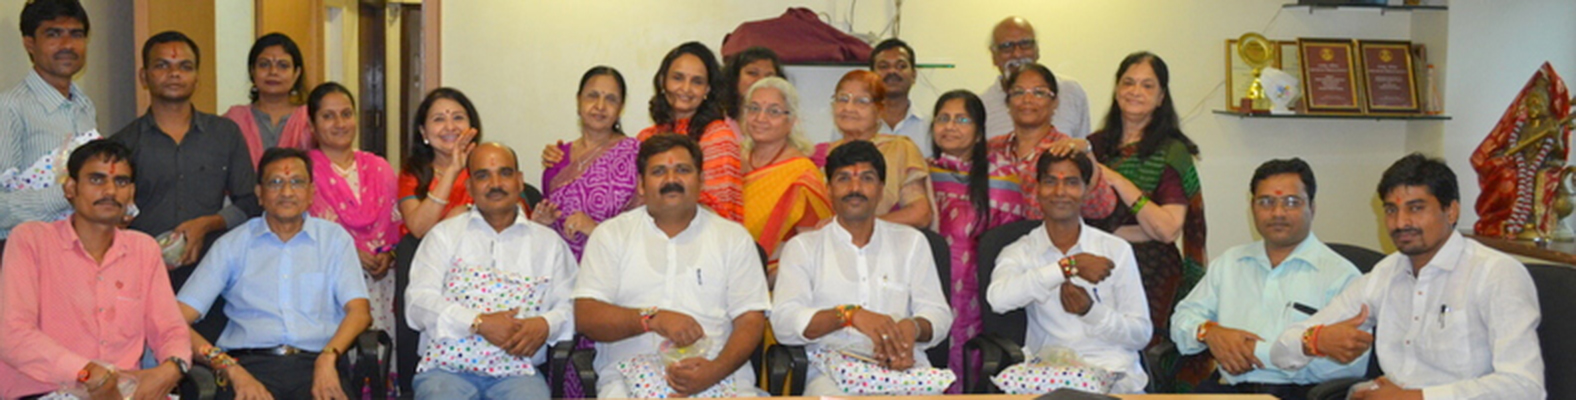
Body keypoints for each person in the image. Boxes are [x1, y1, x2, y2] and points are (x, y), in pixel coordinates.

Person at [1272, 154, 1546, 400]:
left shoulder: (1495, 274)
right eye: (1391, 210)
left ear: (1451, 211)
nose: (1401, 222)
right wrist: (1315, 340)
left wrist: (1417, 397)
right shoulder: (1386, 273)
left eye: (1416, 208)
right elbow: (1281, 350)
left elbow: (1525, 387)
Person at [573, 133, 770, 398]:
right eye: (658, 172)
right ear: (641, 185)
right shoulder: (611, 235)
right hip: (627, 378)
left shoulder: (733, 238)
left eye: (683, 170)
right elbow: (587, 316)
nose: (671, 179)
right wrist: (651, 319)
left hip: (719, 373)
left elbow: (750, 320)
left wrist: (714, 371)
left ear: (701, 180)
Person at [0, 140, 191, 400]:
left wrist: (171, 369)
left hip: (125, 393)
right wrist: (87, 373)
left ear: (131, 192)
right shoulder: (31, 240)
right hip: (46, 390)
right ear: (71, 188)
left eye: (121, 182)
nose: (110, 190)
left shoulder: (143, 249)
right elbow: (12, 334)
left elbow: (170, 329)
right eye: (96, 179)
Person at [176, 148, 371, 400]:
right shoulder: (232, 245)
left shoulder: (334, 240)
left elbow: (359, 312)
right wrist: (227, 367)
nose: (287, 192)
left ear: (311, 192)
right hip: (248, 367)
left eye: (297, 182)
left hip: (319, 363)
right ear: (259, 193)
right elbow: (176, 320)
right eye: (275, 182)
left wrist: (328, 358)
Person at [1170, 158, 1365, 400]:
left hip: (1300, 395)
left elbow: (1353, 364)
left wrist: (1256, 352)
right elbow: (1181, 320)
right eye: (1266, 202)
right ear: (1252, 208)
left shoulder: (1341, 275)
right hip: (1228, 391)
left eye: (1291, 202)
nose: (1278, 213)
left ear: (1312, 208)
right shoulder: (1230, 263)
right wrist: (1208, 332)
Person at [772, 140, 953, 396]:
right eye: (843, 178)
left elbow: (938, 314)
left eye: (867, 178)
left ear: (880, 189)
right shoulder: (804, 248)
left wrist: (912, 327)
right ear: (829, 188)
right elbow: (784, 323)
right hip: (830, 373)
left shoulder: (911, 242)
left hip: (903, 368)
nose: (855, 188)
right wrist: (848, 315)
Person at [407, 142, 577, 399]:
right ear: (469, 187)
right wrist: (477, 323)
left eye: (505, 173)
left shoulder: (548, 244)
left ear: (520, 181)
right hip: (446, 374)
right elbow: (417, 303)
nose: (495, 184)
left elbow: (573, 305)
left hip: (518, 375)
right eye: (483, 175)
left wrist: (545, 324)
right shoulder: (443, 236)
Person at [986, 152, 1150, 394]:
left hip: (1112, 377)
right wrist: (1066, 268)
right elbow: (998, 299)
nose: (1060, 192)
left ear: (1086, 190)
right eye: (1050, 181)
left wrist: (1091, 312)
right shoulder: (1021, 251)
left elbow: (1141, 334)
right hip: (1048, 378)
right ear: (1037, 189)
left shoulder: (1115, 250)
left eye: (1071, 182)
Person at [111, 31, 260, 287]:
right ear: (144, 76)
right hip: (143, 275)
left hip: (213, 273)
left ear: (197, 78)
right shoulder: (123, 143)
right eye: (162, 65)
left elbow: (250, 202)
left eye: (185, 66)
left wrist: (207, 224)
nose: (174, 74)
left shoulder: (225, 134)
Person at [1084, 52, 1206, 340]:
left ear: (1161, 97)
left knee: (1144, 351)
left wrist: (1117, 180)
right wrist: (1133, 227)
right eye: (1128, 82)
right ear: (1117, 89)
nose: (1135, 91)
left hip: (1151, 272)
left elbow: (1167, 229)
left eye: (1147, 85)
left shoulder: (1171, 152)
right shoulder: (1094, 146)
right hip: (1095, 265)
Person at [925, 90, 1030, 388]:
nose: (950, 126)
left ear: (980, 132)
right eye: (943, 118)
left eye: (962, 120)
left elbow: (1008, 245)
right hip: (929, 285)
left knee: (973, 367)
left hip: (979, 293)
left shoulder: (1002, 177)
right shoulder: (922, 173)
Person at [304, 82, 400, 378]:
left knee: (378, 361)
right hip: (329, 284)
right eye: (328, 116)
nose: (340, 123)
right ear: (312, 125)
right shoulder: (304, 172)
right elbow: (303, 231)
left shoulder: (379, 167)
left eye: (346, 114)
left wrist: (390, 254)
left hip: (381, 281)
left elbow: (397, 222)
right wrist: (350, 254)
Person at [0, 0, 98, 253]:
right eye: (53, 34)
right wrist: (66, 193)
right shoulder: (9, 107)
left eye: (76, 34)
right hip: (24, 255)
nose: (67, 45)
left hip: (78, 251)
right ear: (29, 43)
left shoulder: (85, 106)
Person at [532, 66, 641, 259]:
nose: (600, 106)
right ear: (578, 100)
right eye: (593, 96)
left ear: (621, 108)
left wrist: (595, 230)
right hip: (561, 268)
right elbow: (550, 227)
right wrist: (541, 223)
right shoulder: (557, 158)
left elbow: (644, 227)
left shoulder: (635, 155)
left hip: (614, 266)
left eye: (611, 99)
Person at [985, 63, 1116, 221]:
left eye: (1039, 93)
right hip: (994, 235)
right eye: (1018, 92)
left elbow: (1101, 208)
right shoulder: (992, 148)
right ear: (1008, 102)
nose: (1027, 99)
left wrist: (1088, 153)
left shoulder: (1067, 150)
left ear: (1055, 102)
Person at [810, 70, 933, 229]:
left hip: (885, 240)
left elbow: (919, 214)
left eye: (861, 101)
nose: (848, 108)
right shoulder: (817, 156)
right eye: (843, 99)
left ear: (880, 109)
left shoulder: (899, 149)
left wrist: (862, 226)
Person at [740, 77, 831, 284]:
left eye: (773, 111)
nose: (760, 118)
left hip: (777, 282)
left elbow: (813, 250)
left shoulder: (801, 174)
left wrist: (770, 277)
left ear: (791, 121)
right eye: (754, 108)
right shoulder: (730, 161)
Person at [640, 42, 743, 222]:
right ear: (663, 81)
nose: (686, 89)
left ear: (707, 89)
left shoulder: (718, 137)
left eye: (697, 81)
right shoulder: (645, 138)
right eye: (678, 78)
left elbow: (720, 213)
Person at [979, 16, 1090, 139]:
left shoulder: (1071, 92)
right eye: (1007, 46)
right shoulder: (982, 106)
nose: (1017, 54)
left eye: (1025, 44)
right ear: (994, 55)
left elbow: (1082, 145)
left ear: (1037, 50)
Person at [399, 87, 481, 239]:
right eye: (439, 119)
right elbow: (419, 229)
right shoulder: (412, 174)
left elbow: (510, 212)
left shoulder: (484, 167)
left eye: (458, 118)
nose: (450, 127)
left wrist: (468, 211)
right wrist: (453, 170)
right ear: (423, 132)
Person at [224, 33, 313, 167]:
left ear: (296, 73)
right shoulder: (234, 120)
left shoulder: (310, 120)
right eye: (264, 64)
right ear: (252, 71)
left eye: (283, 66)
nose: (273, 72)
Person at [871, 38, 931, 157]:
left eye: (901, 66)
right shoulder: (854, 124)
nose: (892, 71)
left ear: (914, 75)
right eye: (883, 66)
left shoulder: (930, 128)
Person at [721, 46, 785, 131]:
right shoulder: (717, 122)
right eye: (753, 73)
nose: (761, 81)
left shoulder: (784, 126)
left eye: (769, 76)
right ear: (735, 78)